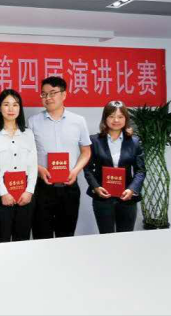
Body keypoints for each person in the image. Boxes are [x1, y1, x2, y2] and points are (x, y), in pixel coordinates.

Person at [28, 76, 91, 239]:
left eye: (52, 93)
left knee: (66, 236)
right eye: (44, 94)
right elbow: (27, 154)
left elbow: (86, 152)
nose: (48, 98)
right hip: (42, 187)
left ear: (64, 94)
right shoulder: (33, 122)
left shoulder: (78, 121)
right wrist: (39, 169)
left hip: (69, 187)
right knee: (41, 236)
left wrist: (75, 171)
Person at [83, 100, 146, 234]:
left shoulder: (134, 142)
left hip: (127, 197)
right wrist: (96, 187)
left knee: (125, 237)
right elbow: (87, 168)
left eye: (120, 117)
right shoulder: (94, 141)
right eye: (111, 116)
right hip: (103, 197)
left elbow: (140, 170)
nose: (116, 120)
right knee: (106, 236)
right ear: (105, 118)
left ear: (126, 119)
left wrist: (132, 189)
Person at [0, 89, 37, 242]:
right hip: (1, 194)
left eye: (15, 105)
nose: (11, 109)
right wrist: (3, 193)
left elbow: (33, 164)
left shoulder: (28, 133)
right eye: (6, 104)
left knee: (23, 238)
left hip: (25, 193)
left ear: (20, 108)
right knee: (2, 238)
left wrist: (29, 191)